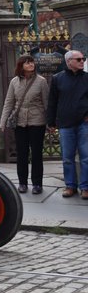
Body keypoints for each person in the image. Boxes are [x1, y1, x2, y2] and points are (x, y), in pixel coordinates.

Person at [1, 53, 50, 194]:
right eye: (27, 63)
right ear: (21, 66)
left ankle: (37, 184)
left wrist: (50, 122)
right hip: (20, 122)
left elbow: (46, 102)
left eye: (32, 62)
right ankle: (22, 183)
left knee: (36, 154)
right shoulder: (14, 82)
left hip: (37, 121)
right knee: (21, 154)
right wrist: (3, 122)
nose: (31, 65)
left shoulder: (41, 81)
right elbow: (9, 102)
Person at [47, 49, 88, 199]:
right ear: (69, 61)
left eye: (83, 59)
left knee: (86, 157)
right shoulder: (58, 78)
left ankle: (85, 187)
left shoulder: (87, 78)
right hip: (65, 124)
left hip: (84, 124)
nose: (82, 61)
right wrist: (50, 122)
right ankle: (70, 186)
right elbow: (52, 101)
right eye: (79, 59)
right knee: (67, 157)